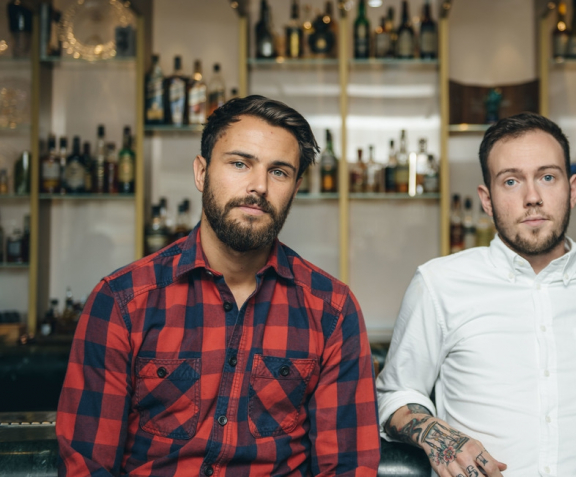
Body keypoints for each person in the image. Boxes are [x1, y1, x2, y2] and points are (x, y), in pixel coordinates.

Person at [57, 95, 381, 476]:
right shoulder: (122, 301)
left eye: (279, 172)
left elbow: (348, 467)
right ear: (201, 172)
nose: (258, 186)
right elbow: (86, 466)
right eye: (240, 163)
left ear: (295, 188)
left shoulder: (332, 310)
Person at [376, 113, 576, 477]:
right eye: (511, 181)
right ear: (487, 199)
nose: (533, 197)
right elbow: (395, 394)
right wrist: (438, 436)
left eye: (548, 177)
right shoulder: (437, 283)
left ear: (573, 189)